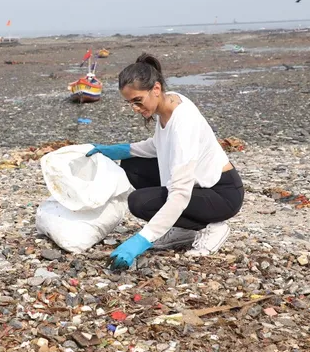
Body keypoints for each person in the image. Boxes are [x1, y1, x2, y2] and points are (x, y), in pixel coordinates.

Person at [86, 53, 244, 270]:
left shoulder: (183, 124)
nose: (135, 108)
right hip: (201, 188)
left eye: (137, 101)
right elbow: (157, 146)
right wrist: (120, 150)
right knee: (133, 165)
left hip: (221, 193)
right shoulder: (169, 103)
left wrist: (143, 239)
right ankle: (184, 229)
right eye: (130, 103)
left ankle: (209, 226)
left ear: (156, 89)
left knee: (139, 203)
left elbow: (180, 194)